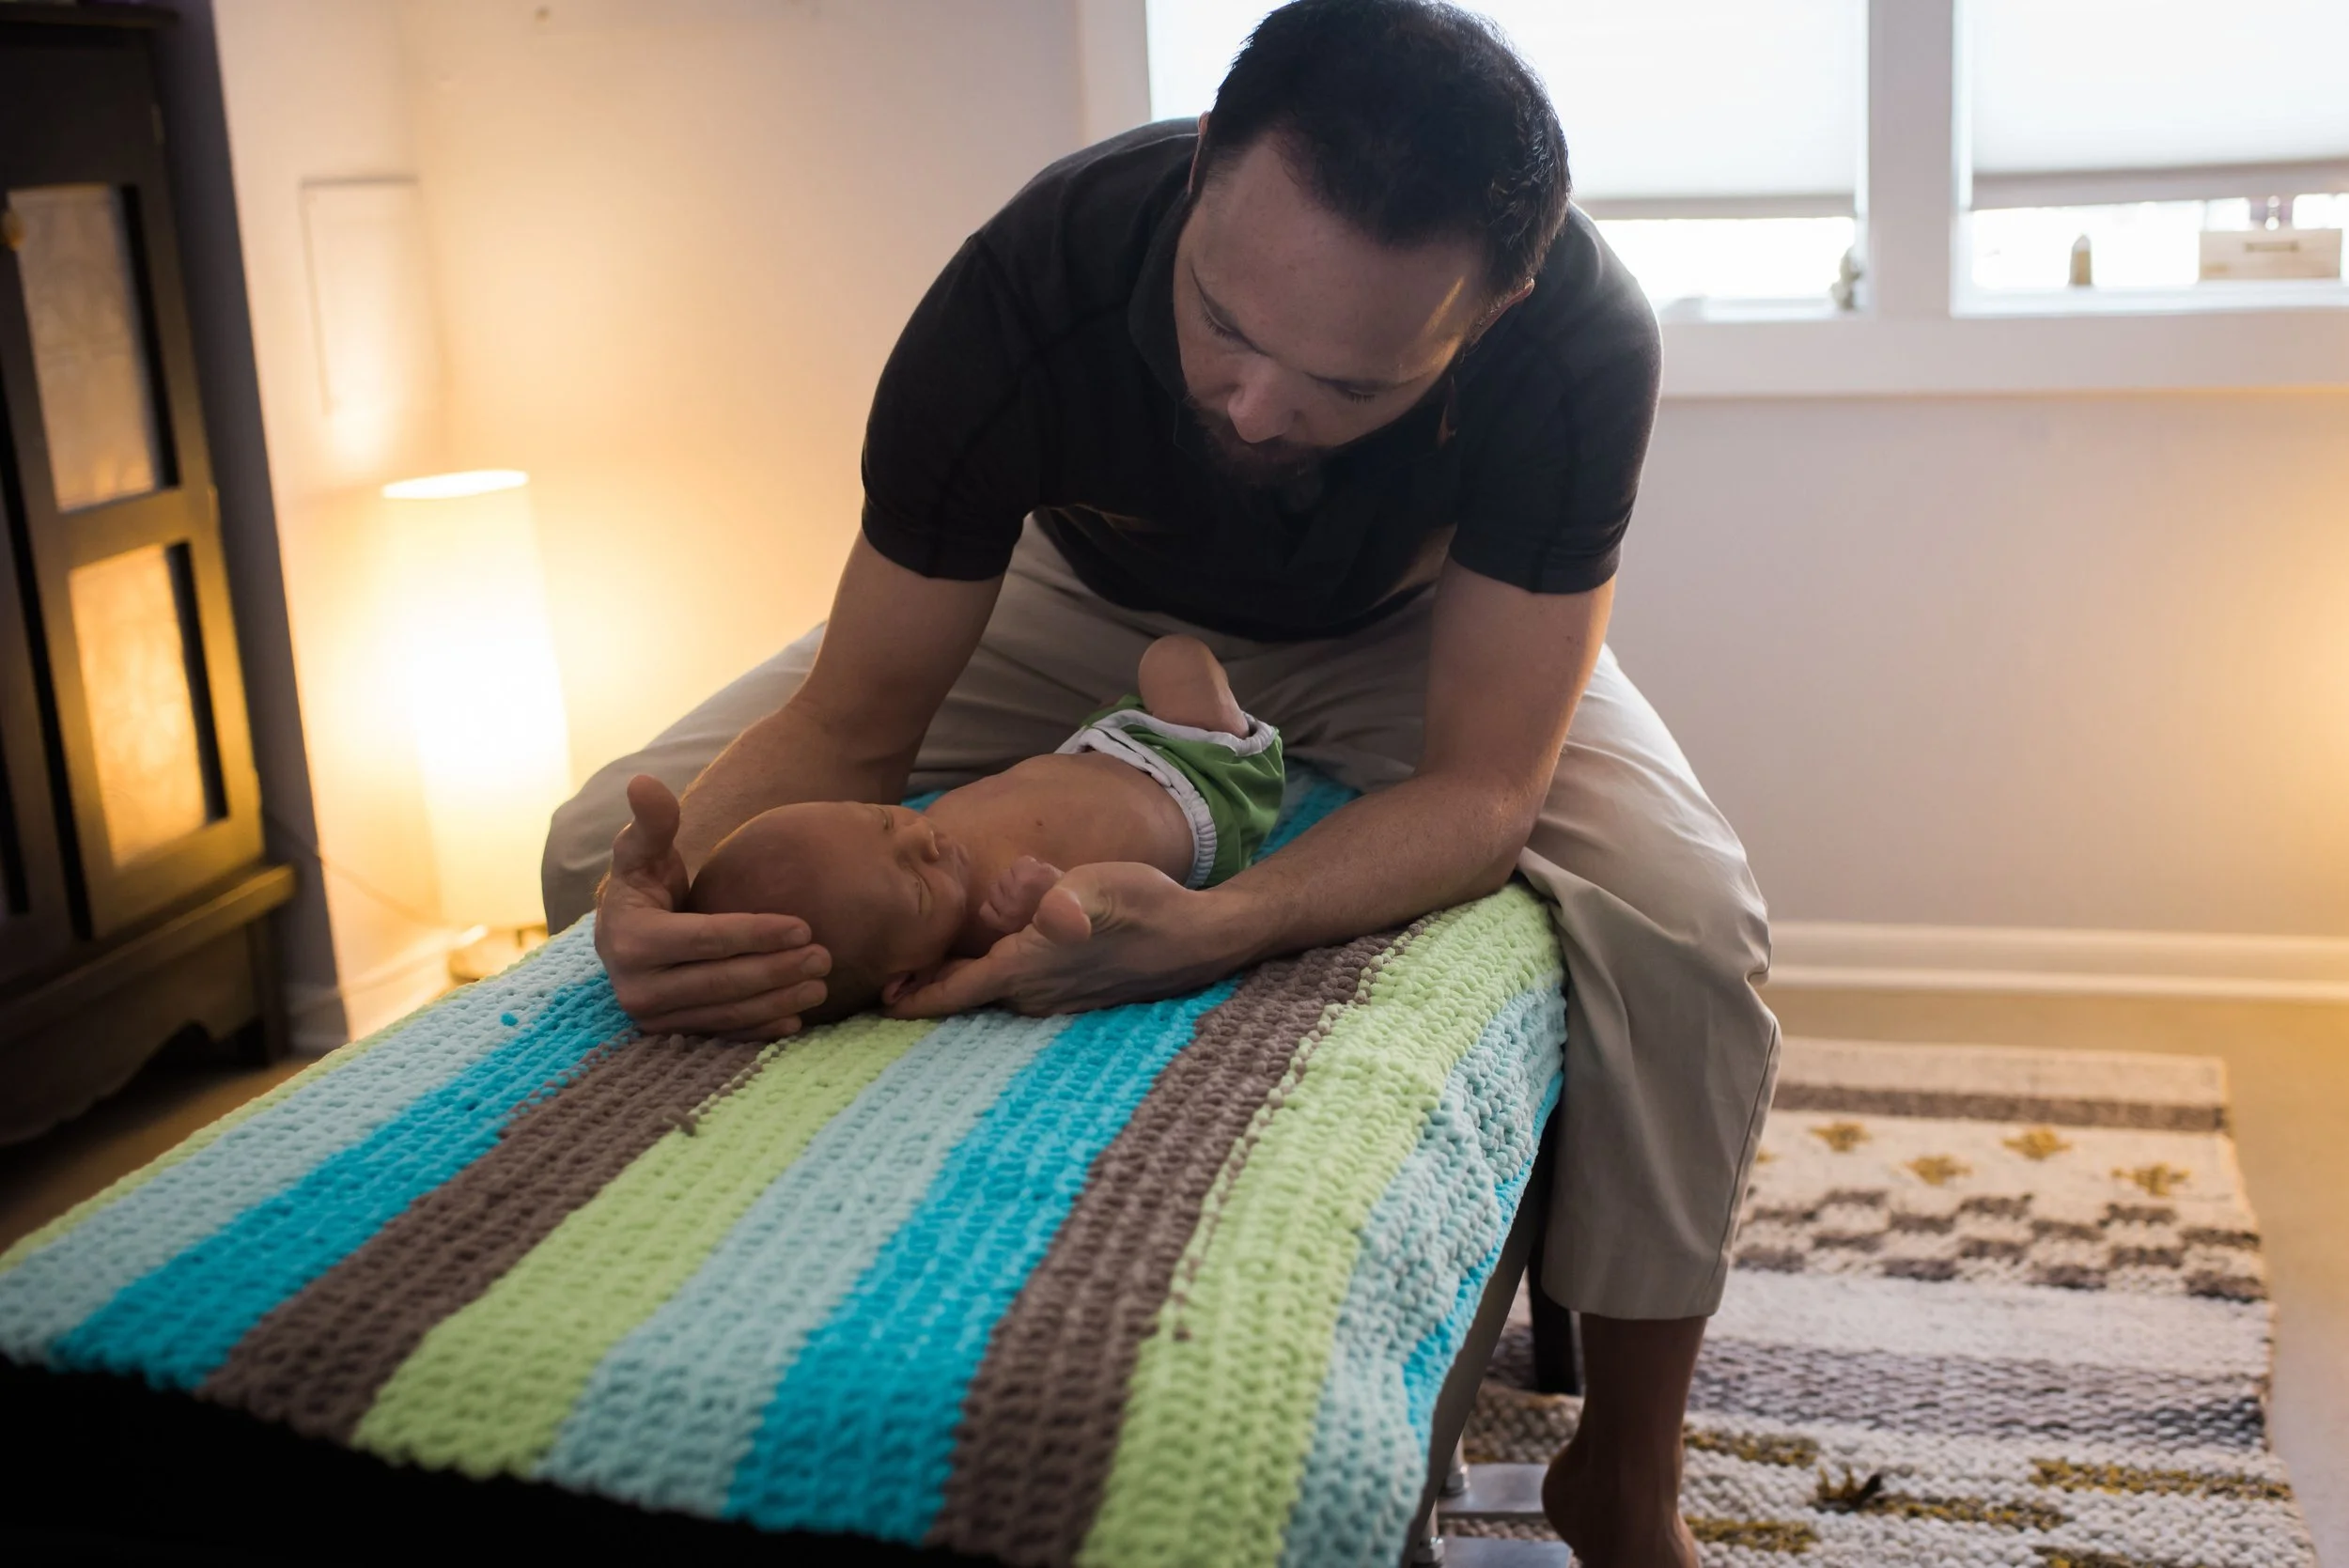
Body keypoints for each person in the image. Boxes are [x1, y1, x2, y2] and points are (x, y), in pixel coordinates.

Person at [542, 3, 1776, 1561]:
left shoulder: (1580, 341)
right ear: (1201, 170)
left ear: (1497, 307)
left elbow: (1480, 788)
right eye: (1224, 326)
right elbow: (855, 718)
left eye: (1349, 385)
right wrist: (660, 899)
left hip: (1421, 630)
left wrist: (1220, 923)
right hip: (1086, 601)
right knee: (586, 846)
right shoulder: (1027, 283)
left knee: (1690, 927)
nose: (1256, 408)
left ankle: (1628, 1479)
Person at [681, 634, 1284, 1021]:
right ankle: (1238, 726)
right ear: (906, 976)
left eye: (883, 819)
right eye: (916, 883)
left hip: (1112, 743)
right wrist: (1045, 897)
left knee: (1162, 657)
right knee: (1176, 657)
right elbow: (1077, 923)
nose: (922, 838)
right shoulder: (985, 935)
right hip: (1211, 785)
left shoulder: (914, 855)